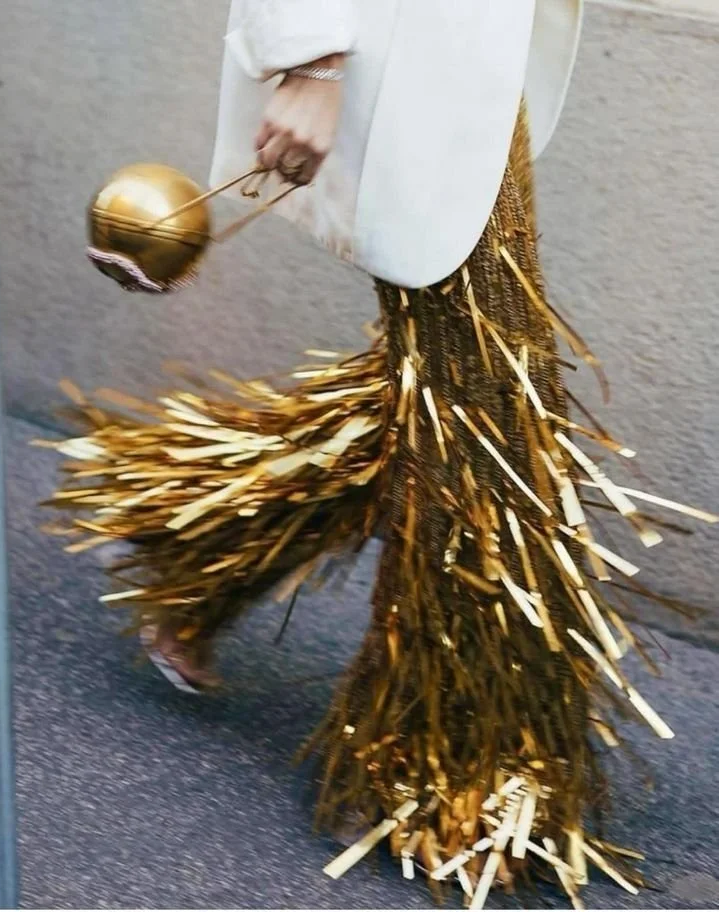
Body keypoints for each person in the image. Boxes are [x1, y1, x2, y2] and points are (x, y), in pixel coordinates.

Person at [41, 1, 715, 906]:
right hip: (393, 51)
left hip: (472, 55)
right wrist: (310, 59)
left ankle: (200, 546)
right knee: (489, 422)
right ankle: (453, 770)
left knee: (453, 400)